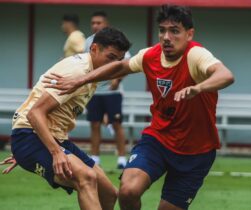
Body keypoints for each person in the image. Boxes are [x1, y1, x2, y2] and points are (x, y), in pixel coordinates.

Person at [42, 5, 234, 210]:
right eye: (162, 30)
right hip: (158, 141)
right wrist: (80, 80)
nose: (166, 37)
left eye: (174, 31)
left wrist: (198, 88)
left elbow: (225, 75)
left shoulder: (196, 55)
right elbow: (120, 66)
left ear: (189, 34)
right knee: (127, 191)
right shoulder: (150, 55)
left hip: (196, 152)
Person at [1, 27, 131, 210]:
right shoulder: (78, 71)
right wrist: (46, 151)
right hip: (30, 135)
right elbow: (34, 113)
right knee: (86, 178)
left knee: (108, 193)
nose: (113, 65)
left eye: (118, 60)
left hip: (51, 138)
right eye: (110, 57)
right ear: (94, 49)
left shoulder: (92, 72)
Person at [85, 11, 130, 168]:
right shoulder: (88, 42)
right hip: (94, 92)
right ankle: (95, 158)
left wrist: (117, 79)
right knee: (95, 124)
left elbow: (127, 63)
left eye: (99, 22)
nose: (95, 25)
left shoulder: (115, 40)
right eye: (93, 23)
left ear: (106, 24)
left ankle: (122, 159)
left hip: (112, 93)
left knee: (116, 124)